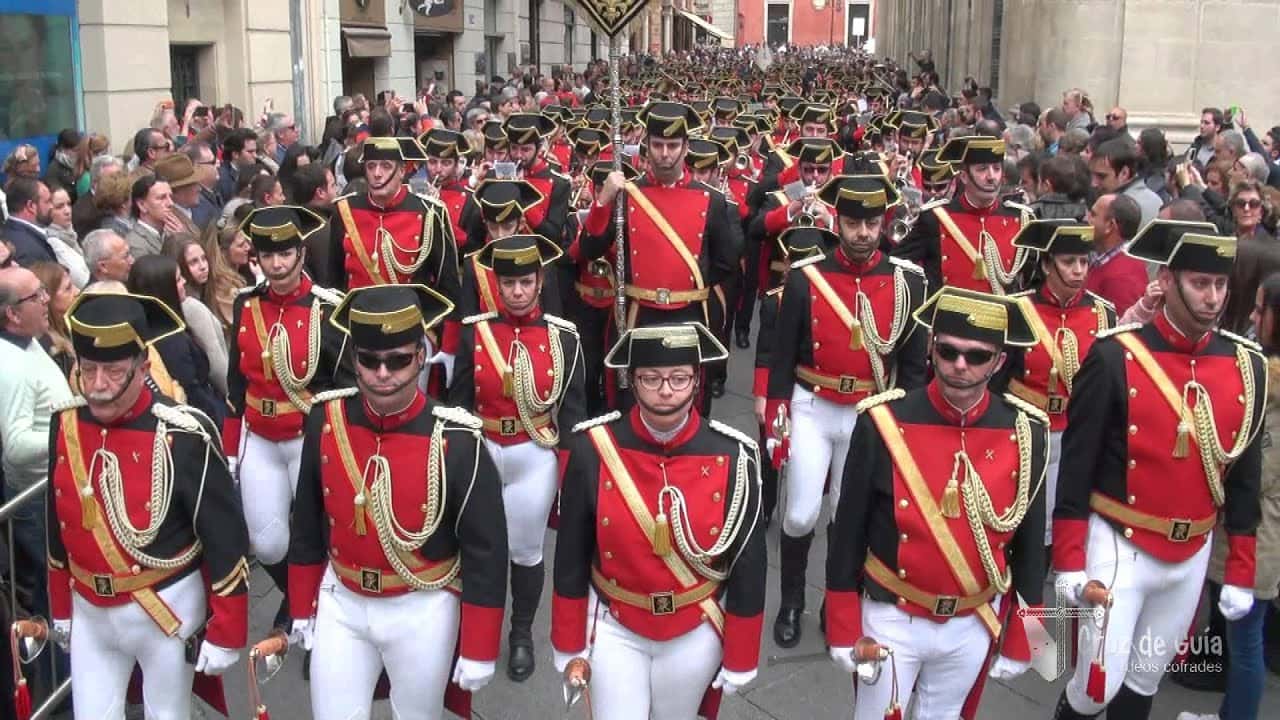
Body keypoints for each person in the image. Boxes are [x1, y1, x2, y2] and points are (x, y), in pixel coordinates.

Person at [1052, 220, 1266, 719]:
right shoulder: (1114, 356)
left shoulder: (1246, 365)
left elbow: (1244, 475)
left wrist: (1241, 569)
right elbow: (1077, 467)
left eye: (1220, 284)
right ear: (1166, 280)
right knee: (1096, 686)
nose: (1213, 297)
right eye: (1200, 282)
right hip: (1119, 541)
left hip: (1192, 551)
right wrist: (1069, 560)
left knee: (1143, 679)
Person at [825, 286, 1048, 720]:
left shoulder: (1028, 433)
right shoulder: (881, 421)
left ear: (999, 361)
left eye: (977, 356)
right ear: (931, 347)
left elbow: (1030, 548)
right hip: (892, 613)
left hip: (972, 619)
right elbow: (847, 532)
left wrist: (1031, 640)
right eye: (948, 351)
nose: (960, 365)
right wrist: (842, 627)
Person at [287, 284, 508, 720]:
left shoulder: (458, 438)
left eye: (398, 360)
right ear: (354, 361)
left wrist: (479, 645)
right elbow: (308, 520)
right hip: (342, 598)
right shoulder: (326, 419)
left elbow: (485, 548)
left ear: (421, 357)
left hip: (422, 605)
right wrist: (300, 605)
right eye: (369, 361)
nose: (382, 373)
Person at [45, 291, 250, 716]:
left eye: (113, 371)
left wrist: (228, 628)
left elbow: (223, 534)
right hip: (89, 608)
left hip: (164, 606)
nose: (97, 385)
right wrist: (60, 606)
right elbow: (58, 518)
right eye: (88, 369)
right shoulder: (64, 423)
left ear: (142, 368)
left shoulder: (184, 432)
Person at [552, 321, 766, 717]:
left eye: (679, 378)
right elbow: (570, 555)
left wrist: (742, 652)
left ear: (697, 381)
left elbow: (748, 562)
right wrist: (568, 641)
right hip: (615, 621)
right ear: (632, 382)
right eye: (651, 378)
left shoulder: (736, 455)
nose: (666, 390)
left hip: (694, 625)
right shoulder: (592, 448)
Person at [765, 175, 929, 648]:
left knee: (847, 515)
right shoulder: (806, 277)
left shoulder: (907, 282)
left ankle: (834, 603)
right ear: (837, 222)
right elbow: (782, 355)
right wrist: (777, 414)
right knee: (800, 514)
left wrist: (906, 426)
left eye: (871, 223)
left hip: (869, 411)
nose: (862, 233)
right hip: (812, 404)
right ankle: (791, 600)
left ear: (884, 224)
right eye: (854, 222)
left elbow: (912, 366)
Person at [448, 234, 587, 681]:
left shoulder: (563, 337)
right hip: (484, 451)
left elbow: (573, 413)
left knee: (526, 552)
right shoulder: (476, 332)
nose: (517, 291)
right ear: (497, 285)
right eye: (508, 283)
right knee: (474, 548)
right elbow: (458, 405)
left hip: (535, 453)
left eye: (526, 282)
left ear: (540, 281)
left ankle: (522, 630)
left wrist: (570, 478)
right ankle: (475, 630)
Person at [223, 206, 348, 630]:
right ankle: (297, 595)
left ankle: (315, 615)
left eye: (285, 253)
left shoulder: (327, 308)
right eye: (267, 255)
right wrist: (230, 449)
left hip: (307, 435)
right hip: (258, 435)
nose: (276, 264)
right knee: (268, 544)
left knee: (320, 535)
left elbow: (342, 384)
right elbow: (236, 381)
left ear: (301, 253)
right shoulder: (246, 303)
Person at [583, 102, 742, 410]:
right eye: (657, 145)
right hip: (638, 314)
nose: (665, 153)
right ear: (647, 146)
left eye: (672, 145)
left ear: (686, 147)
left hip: (690, 314)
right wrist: (603, 201)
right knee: (633, 402)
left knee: (688, 400)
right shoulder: (626, 194)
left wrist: (688, 285)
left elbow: (726, 262)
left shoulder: (712, 200)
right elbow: (590, 249)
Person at [1176, 274, 1280, 720]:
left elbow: (1259, 473)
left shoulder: (1271, 390)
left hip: (1259, 536)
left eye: (1261, 310)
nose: (1253, 318)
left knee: (1245, 644)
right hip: (1258, 532)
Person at [1004, 220, 1117, 549]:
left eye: (1084, 261)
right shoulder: (1018, 309)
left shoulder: (1103, 313)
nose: (1079, 270)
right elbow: (999, 379)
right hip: (1026, 429)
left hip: (1077, 431)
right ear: (1046, 265)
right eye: (1069, 262)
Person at [894, 136, 1030, 294]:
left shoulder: (1019, 218)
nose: (991, 177)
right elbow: (897, 266)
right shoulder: (935, 217)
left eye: (996, 169)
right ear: (964, 177)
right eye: (982, 169)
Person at [127, 254, 224, 423]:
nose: (184, 282)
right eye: (178, 280)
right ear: (164, 289)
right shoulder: (171, 342)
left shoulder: (144, 332)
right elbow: (194, 396)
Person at [498, 113, 572, 244]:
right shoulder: (499, 175)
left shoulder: (559, 183)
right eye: (514, 148)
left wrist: (522, 195)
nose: (518, 155)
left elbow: (554, 235)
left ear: (539, 148)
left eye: (525, 149)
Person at [1085, 193, 1148, 315]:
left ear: (1110, 226)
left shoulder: (1123, 279)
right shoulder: (1099, 257)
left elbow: (1119, 325)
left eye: (1093, 215)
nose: (1086, 219)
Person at [1089, 139, 1163, 229]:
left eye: (1101, 176)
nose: (1094, 183)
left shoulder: (1120, 208)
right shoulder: (1156, 200)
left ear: (1124, 173)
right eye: (1092, 175)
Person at [28, 261, 79, 379]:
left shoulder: (72, 327)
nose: (77, 292)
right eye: (68, 288)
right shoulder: (50, 350)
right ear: (47, 296)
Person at [4, 177, 57, 266]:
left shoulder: (8, 231)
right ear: (31, 206)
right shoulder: (28, 251)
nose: (52, 206)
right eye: (48, 201)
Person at [73, 154, 124, 240]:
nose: (119, 183)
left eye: (120, 177)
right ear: (95, 182)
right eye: (112, 179)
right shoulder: (85, 216)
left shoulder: (120, 201)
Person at [124, 175, 175, 258]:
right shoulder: (135, 244)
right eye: (162, 198)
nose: (170, 203)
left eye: (171, 197)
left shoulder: (171, 234)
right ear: (142, 205)